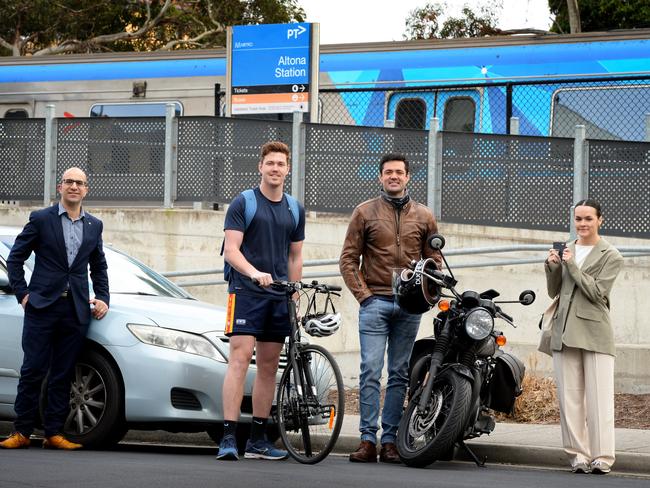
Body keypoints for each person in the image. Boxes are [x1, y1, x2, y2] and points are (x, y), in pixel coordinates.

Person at [339, 153, 441, 464]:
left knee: (398, 374)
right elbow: (347, 260)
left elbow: (434, 262)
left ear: (408, 176)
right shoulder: (364, 212)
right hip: (376, 303)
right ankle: (367, 440)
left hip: (409, 307)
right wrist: (364, 296)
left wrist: (424, 291)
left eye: (398, 172)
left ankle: (390, 440)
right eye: (388, 172)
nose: (393, 177)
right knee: (371, 370)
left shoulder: (424, 216)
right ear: (381, 177)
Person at [1, 167, 109, 450]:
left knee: (63, 373)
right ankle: (21, 432)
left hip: (75, 310)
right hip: (42, 307)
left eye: (80, 183)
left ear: (87, 189)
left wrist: (104, 297)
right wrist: (23, 295)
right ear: (60, 187)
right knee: (33, 369)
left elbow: (98, 266)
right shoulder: (41, 219)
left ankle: (53, 433)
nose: (74, 186)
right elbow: (15, 259)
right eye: (69, 182)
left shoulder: (94, 225)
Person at [217, 141, 305, 461]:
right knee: (239, 361)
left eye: (281, 164)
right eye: (270, 163)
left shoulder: (295, 209)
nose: (275, 168)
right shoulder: (244, 202)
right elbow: (231, 250)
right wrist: (254, 273)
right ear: (260, 167)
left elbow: (295, 254)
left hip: (277, 295)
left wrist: (293, 289)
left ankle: (257, 438)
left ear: (288, 169)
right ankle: (228, 436)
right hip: (244, 292)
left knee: (268, 367)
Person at [544, 199, 623, 475]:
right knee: (570, 398)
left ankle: (602, 457)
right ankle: (578, 455)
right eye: (578, 219)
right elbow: (554, 292)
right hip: (564, 331)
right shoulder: (566, 250)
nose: (582, 224)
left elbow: (597, 294)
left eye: (588, 219)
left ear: (600, 220)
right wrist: (553, 266)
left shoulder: (611, 255)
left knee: (599, 398)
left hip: (595, 333)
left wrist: (573, 266)